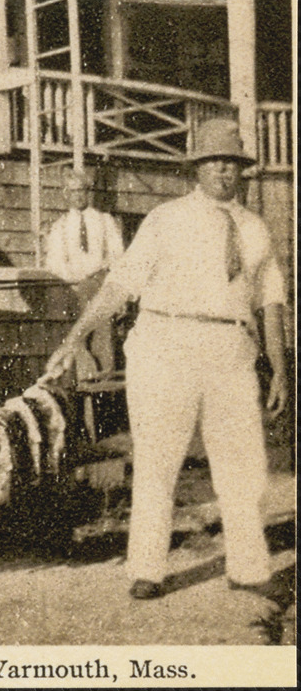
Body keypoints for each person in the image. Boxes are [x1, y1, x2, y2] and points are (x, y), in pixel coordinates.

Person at [45, 118, 288, 602]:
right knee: (157, 459)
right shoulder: (165, 219)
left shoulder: (256, 228)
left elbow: (271, 302)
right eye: (213, 162)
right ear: (197, 169)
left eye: (232, 163)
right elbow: (120, 284)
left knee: (241, 464)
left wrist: (280, 366)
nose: (223, 170)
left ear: (242, 171)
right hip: (166, 342)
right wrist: (75, 336)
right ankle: (148, 568)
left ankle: (246, 565)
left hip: (232, 350)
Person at [43, 168, 127, 374]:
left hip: (101, 285)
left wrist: (120, 296)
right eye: (73, 191)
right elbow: (54, 264)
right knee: (76, 342)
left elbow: (118, 257)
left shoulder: (105, 220)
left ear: (88, 192)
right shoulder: (60, 227)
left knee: (103, 340)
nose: (78, 195)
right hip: (73, 288)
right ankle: (83, 386)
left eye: (82, 190)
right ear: (65, 194)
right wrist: (75, 281)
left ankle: (105, 390)